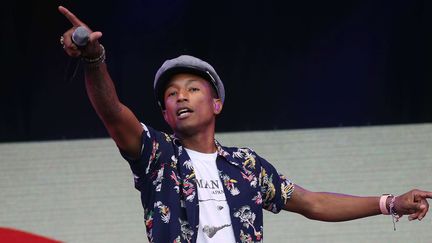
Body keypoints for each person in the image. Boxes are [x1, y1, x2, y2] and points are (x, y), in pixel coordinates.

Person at [58, 6, 431, 243]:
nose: (181, 97)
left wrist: (390, 203)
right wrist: (95, 59)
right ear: (166, 114)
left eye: (192, 89)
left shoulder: (246, 166)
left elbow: (313, 203)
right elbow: (112, 111)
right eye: (172, 95)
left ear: (216, 103)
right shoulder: (157, 154)